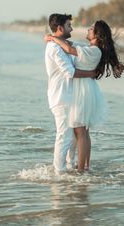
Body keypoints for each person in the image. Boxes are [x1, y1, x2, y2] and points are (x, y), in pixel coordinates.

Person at [45, 20, 124, 172]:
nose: (88, 30)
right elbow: (71, 44)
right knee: (84, 131)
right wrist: (54, 38)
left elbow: (69, 49)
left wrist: (52, 38)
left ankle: (81, 170)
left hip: (82, 90)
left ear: (97, 34)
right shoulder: (91, 48)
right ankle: (85, 166)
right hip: (84, 88)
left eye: (91, 29)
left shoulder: (93, 50)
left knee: (80, 131)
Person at [45, 13, 96, 175]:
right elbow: (70, 72)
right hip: (60, 98)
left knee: (74, 137)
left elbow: (80, 48)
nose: (71, 28)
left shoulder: (62, 44)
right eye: (68, 26)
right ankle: (58, 173)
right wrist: (91, 74)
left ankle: (70, 166)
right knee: (64, 136)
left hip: (71, 97)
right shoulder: (54, 48)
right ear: (60, 28)